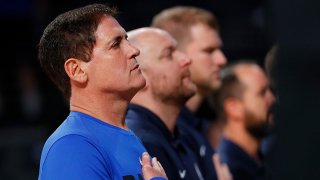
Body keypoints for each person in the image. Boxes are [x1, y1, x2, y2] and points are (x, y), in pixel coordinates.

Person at [37, 4, 167, 180]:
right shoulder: (71, 146)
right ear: (77, 70)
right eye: (115, 44)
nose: (134, 50)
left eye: (126, 39)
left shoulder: (126, 135)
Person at [126, 27, 204, 180]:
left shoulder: (179, 136)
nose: (186, 60)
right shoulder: (142, 145)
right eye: (169, 54)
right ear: (140, 74)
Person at [151, 6, 227, 150]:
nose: (221, 60)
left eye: (219, 50)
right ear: (176, 53)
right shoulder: (162, 130)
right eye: (209, 51)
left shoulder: (199, 128)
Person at [216, 61, 275, 180]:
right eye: (262, 93)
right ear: (233, 108)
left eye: (270, 90)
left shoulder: (264, 159)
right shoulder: (228, 171)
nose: (272, 99)